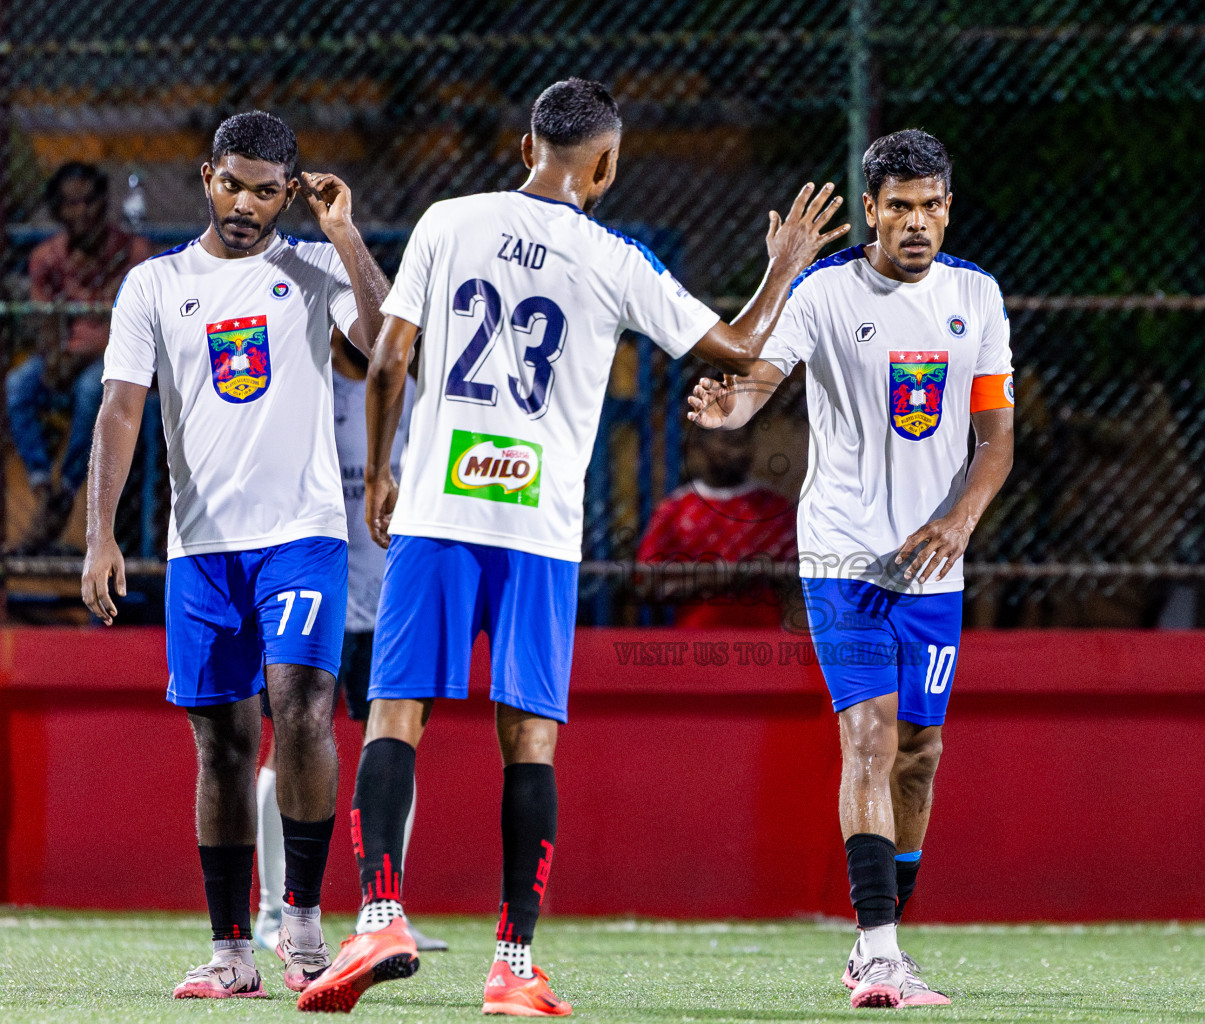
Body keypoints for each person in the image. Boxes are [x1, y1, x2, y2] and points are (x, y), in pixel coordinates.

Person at [295, 77, 847, 1015]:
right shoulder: (612, 259)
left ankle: (380, 913)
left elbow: (389, 359)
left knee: (396, 715)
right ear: (607, 166)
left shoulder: (448, 220)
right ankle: (512, 966)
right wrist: (783, 265)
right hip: (536, 530)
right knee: (530, 739)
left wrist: (385, 477)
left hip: (435, 514)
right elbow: (742, 348)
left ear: (524, 150)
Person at [686, 129, 1014, 1009]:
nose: (917, 222)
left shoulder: (976, 297)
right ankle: (877, 952)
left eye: (932, 205)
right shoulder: (826, 293)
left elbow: (996, 440)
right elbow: (760, 376)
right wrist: (733, 406)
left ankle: (884, 938)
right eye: (900, 206)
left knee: (920, 753)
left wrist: (961, 517)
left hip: (935, 564)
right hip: (841, 556)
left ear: (950, 206)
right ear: (870, 210)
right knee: (867, 737)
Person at [81, 111, 389, 999]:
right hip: (202, 549)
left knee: (302, 705)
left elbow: (380, 344)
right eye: (232, 183)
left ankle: (300, 925)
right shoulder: (153, 284)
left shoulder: (315, 266)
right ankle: (230, 952)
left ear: (289, 190)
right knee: (220, 744)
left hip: (302, 534)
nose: (247, 204)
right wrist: (102, 532)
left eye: (266, 189)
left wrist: (346, 234)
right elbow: (119, 410)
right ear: (207, 175)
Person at [253, 336, 446, 954]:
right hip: (313, 591)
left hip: (391, 598)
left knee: (392, 742)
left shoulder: (414, 395)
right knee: (285, 746)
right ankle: (270, 911)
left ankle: (383, 909)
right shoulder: (304, 392)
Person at [10, 162, 150, 552]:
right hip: (67, 355)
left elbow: (134, 329)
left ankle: (69, 490)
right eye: (71, 204)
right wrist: (54, 356)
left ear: (104, 204)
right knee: (18, 385)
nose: (82, 212)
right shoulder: (48, 257)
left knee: (93, 391)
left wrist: (82, 356)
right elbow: (45, 321)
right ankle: (42, 486)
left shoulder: (132, 254)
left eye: (90, 202)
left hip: (117, 360)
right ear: (58, 210)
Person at [635, 424, 797, 627]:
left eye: (744, 441)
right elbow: (647, 584)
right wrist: (715, 580)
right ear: (699, 445)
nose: (739, 452)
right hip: (694, 643)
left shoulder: (772, 507)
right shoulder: (675, 511)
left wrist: (755, 575)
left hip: (762, 642)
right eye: (728, 442)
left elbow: (798, 578)